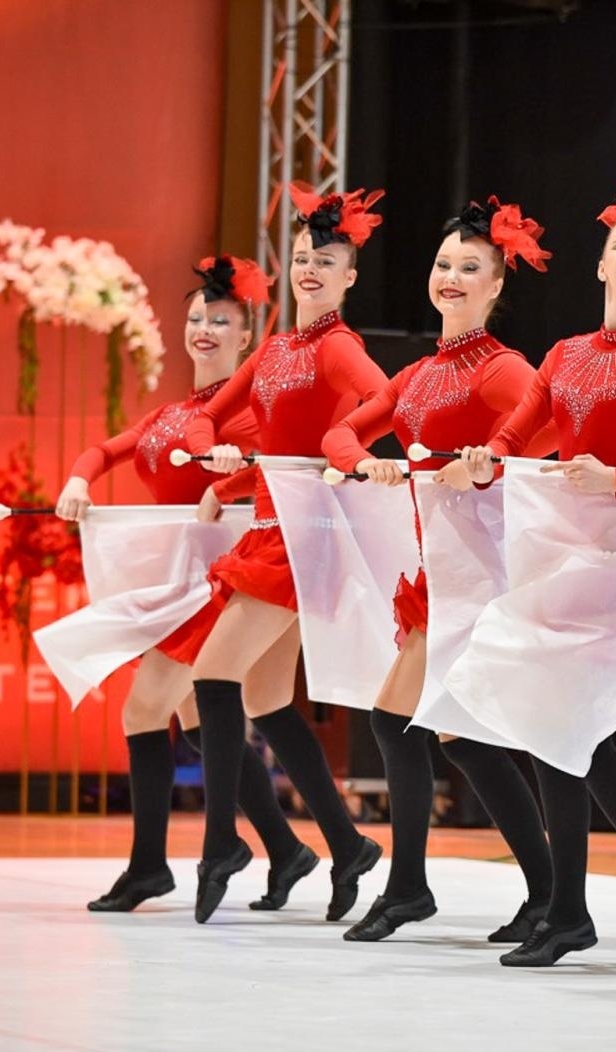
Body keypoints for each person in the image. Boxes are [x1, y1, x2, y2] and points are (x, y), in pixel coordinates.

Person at [445, 185, 616, 966]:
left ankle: (570, 910)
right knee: (571, 732)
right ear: (601, 262)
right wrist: (485, 458)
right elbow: (514, 431)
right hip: (563, 547)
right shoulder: (566, 355)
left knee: (557, 725)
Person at [320, 196, 557, 943]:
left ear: (496, 285)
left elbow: (547, 433)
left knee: (403, 720)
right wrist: (366, 467)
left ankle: (412, 885)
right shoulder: (420, 374)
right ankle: (543, 890)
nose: (451, 277)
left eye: (469, 268)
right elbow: (340, 434)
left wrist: (483, 468)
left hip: (488, 571)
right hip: (442, 574)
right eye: (443, 264)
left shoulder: (502, 369)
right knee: (458, 736)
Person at [56, 256, 319, 913]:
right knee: (197, 720)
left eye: (221, 320)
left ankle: (152, 867)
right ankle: (283, 849)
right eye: (197, 317)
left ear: (245, 333)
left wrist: (227, 480)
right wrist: (79, 479)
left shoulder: (249, 414)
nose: (204, 328)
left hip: (222, 579)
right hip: (179, 581)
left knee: (146, 710)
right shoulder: (174, 414)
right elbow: (106, 451)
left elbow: (280, 468)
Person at [181, 185, 391, 923]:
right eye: (302, 256)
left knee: (211, 677)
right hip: (271, 527)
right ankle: (344, 841)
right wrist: (221, 465)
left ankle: (219, 848)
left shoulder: (338, 346)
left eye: (325, 260)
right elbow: (208, 418)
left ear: (349, 276)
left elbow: (384, 398)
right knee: (265, 699)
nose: (310, 268)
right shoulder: (273, 348)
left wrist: (348, 447)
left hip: (304, 538)